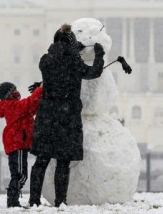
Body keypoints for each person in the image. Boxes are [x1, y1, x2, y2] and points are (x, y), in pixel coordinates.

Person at [28, 23, 105, 207]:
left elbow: (57, 71)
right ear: (72, 44)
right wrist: (99, 55)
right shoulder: (73, 61)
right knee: (63, 162)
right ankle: (60, 201)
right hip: (67, 118)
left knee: (41, 160)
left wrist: (71, 49)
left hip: (47, 116)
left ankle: (34, 199)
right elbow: (93, 72)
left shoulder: (45, 60)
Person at [0, 80, 43, 208]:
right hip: (18, 144)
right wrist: (39, 90)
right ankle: (12, 199)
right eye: (14, 90)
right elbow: (28, 104)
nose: (18, 91)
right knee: (20, 174)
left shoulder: (13, 105)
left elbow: (31, 108)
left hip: (17, 144)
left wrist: (37, 93)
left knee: (18, 174)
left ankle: (13, 198)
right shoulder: (11, 105)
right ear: (9, 94)